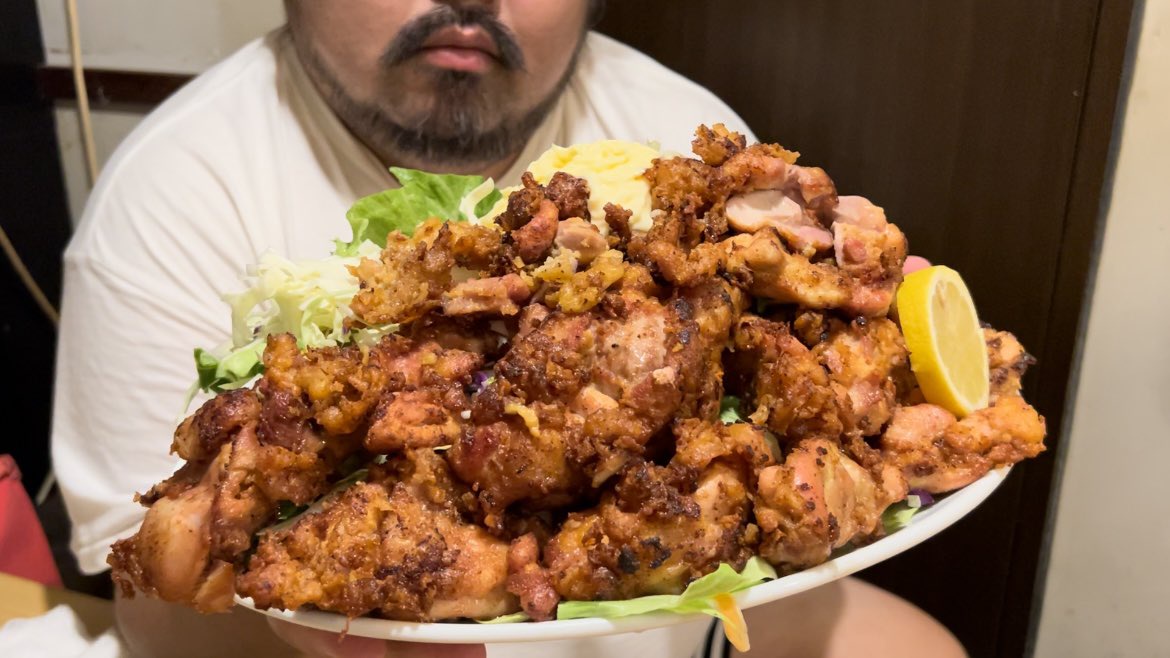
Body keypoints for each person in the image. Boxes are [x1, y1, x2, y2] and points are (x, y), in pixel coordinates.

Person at [51, 1, 964, 656]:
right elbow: (156, 600)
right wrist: (313, 625)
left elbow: (765, 573)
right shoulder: (176, 189)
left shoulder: (684, 134)